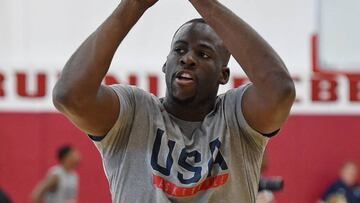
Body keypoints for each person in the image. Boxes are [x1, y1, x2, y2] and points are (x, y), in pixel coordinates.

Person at [52, 0, 295, 202]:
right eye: (179, 50)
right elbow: (70, 96)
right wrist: (133, 5)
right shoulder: (135, 111)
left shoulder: (235, 115)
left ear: (223, 74)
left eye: (203, 54)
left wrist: (205, 3)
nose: (188, 58)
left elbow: (280, 90)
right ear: (165, 64)